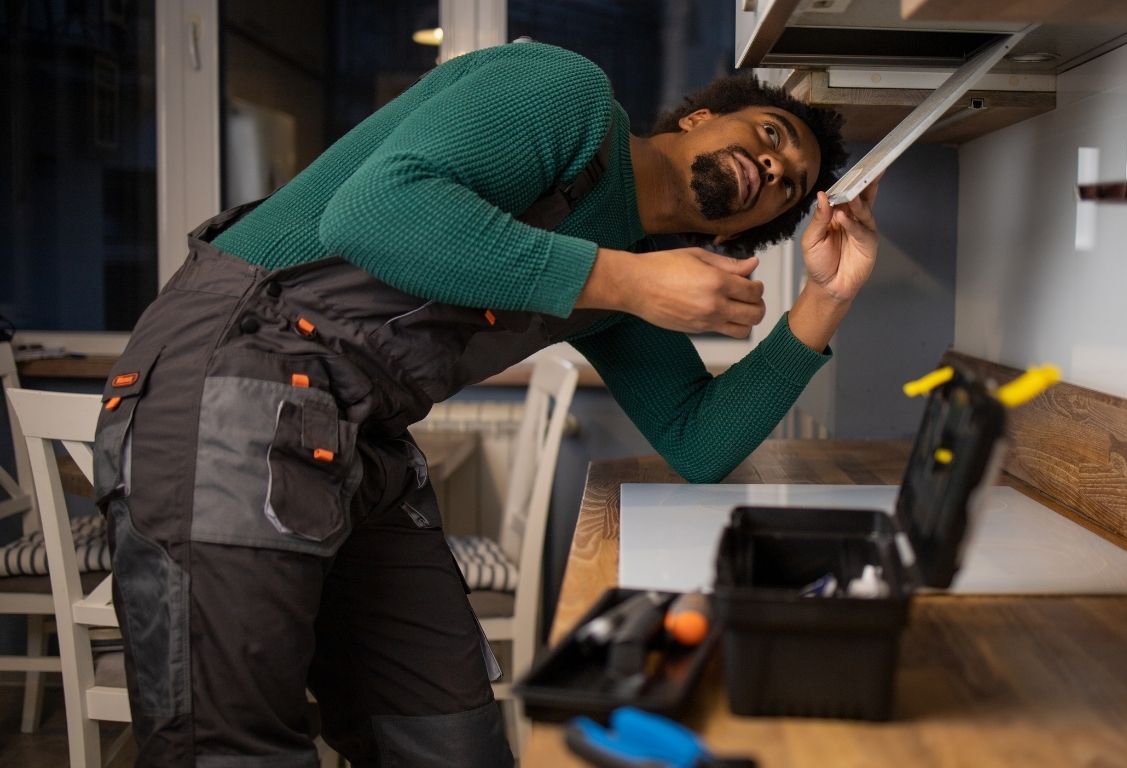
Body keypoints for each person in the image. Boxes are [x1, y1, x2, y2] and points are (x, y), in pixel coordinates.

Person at [93, 41, 878, 766]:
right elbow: (374, 212)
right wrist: (629, 282)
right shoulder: (564, 95)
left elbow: (695, 441)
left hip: (361, 440)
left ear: (752, 231)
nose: (775, 169)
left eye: (791, 187)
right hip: (232, 378)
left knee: (451, 741)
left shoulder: (627, 270)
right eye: (773, 136)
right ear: (702, 117)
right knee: (233, 749)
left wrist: (825, 300)